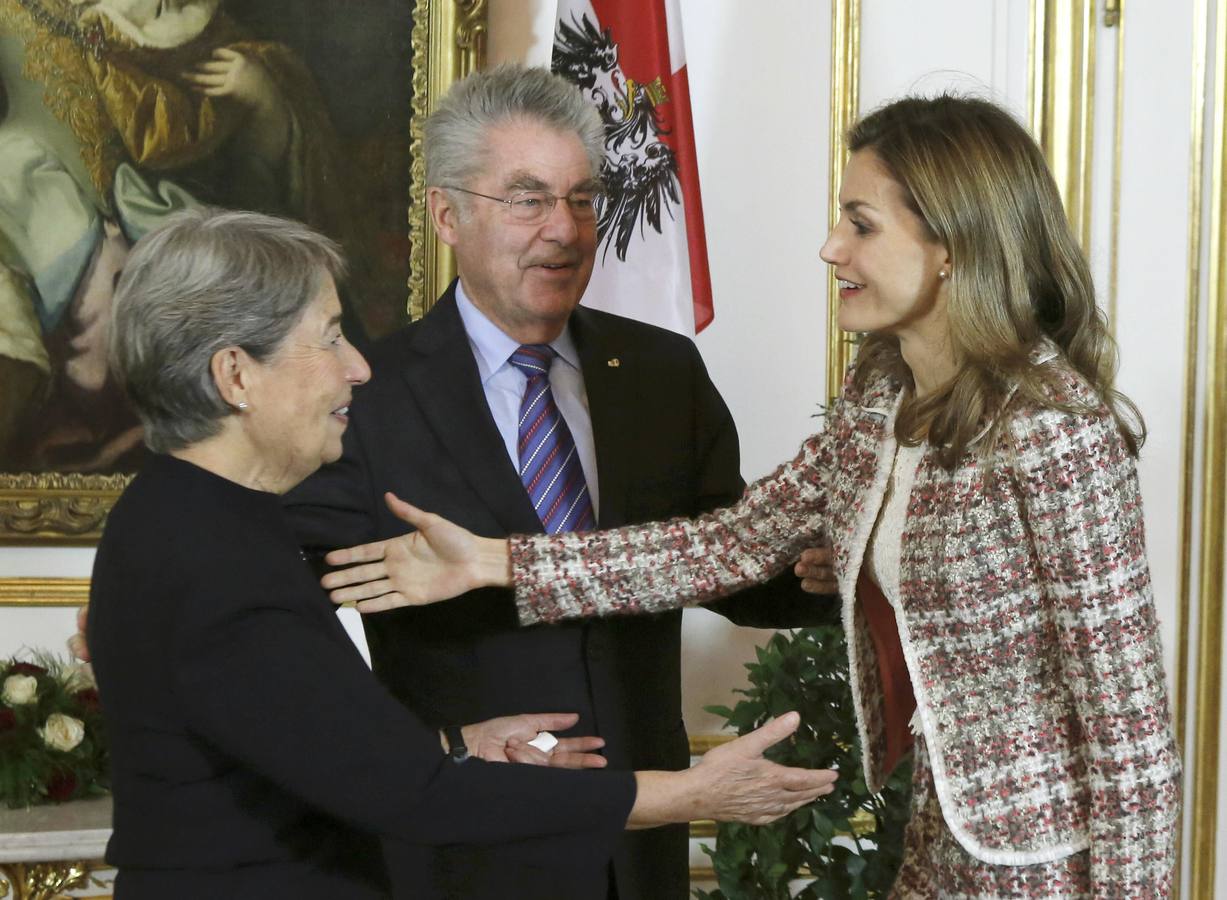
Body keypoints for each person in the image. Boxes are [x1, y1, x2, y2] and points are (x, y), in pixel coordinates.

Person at [323, 94, 1183, 897]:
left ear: (950, 244)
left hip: (1042, 862)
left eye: (859, 224)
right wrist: (497, 562)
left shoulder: (1054, 430)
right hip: (932, 838)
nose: (830, 248)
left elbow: (1131, 735)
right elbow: (726, 543)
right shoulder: (880, 394)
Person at [85, 207, 838, 899]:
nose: (358, 367)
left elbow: (298, 739)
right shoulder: (213, 555)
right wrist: (689, 794)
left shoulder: (187, 518)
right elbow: (414, 796)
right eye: (330, 337)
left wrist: (455, 742)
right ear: (235, 375)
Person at [282, 63, 836, 900]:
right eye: (527, 199)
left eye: (582, 199)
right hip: (460, 851)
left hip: (639, 852)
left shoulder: (661, 371)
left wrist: (820, 572)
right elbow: (283, 626)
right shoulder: (366, 396)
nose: (564, 230)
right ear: (446, 215)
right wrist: (441, 745)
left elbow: (725, 559)